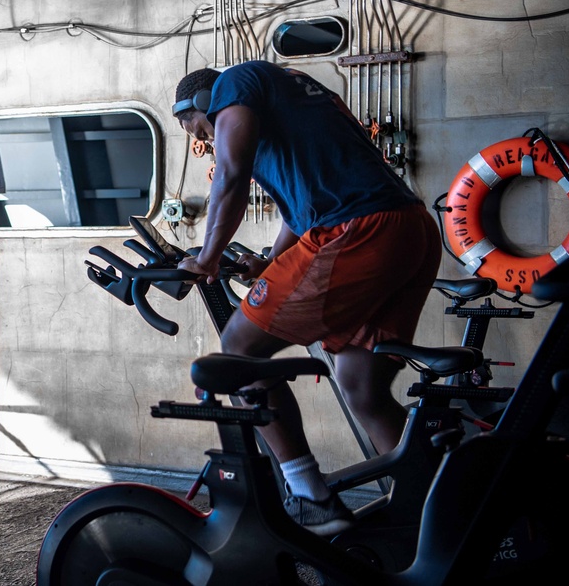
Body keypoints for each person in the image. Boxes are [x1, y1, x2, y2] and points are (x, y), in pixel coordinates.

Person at [173, 60, 441, 536]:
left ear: (203, 104)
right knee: (363, 389)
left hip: (359, 230)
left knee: (238, 351)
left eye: (202, 129)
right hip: (409, 228)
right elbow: (301, 213)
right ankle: (439, 507)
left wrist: (208, 256)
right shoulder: (284, 99)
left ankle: (308, 495)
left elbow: (229, 175)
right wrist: (269, 264)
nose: (209, 140)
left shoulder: (234, 84)